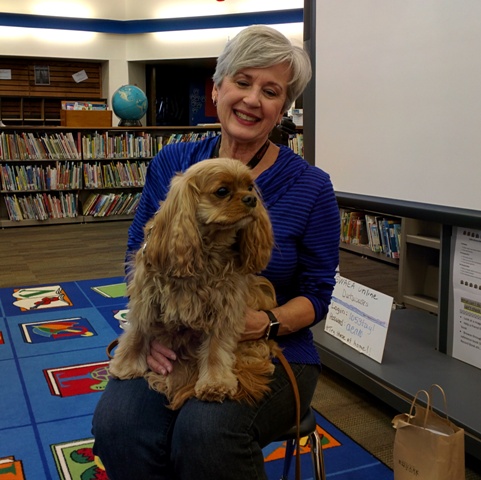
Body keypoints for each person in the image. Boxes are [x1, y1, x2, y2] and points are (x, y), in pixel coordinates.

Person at [92, 24, 340, 480]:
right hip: (172, 337)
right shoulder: (173, 164)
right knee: (117, 426)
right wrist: (153, 334)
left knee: (205, 433)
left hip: (270, 347)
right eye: (242, 82)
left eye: (270, 91)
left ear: (283, 107)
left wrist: (265, 322)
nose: (251, 99)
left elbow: (319, 294)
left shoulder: (311, 186)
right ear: (218, 87)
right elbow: (137, 257)